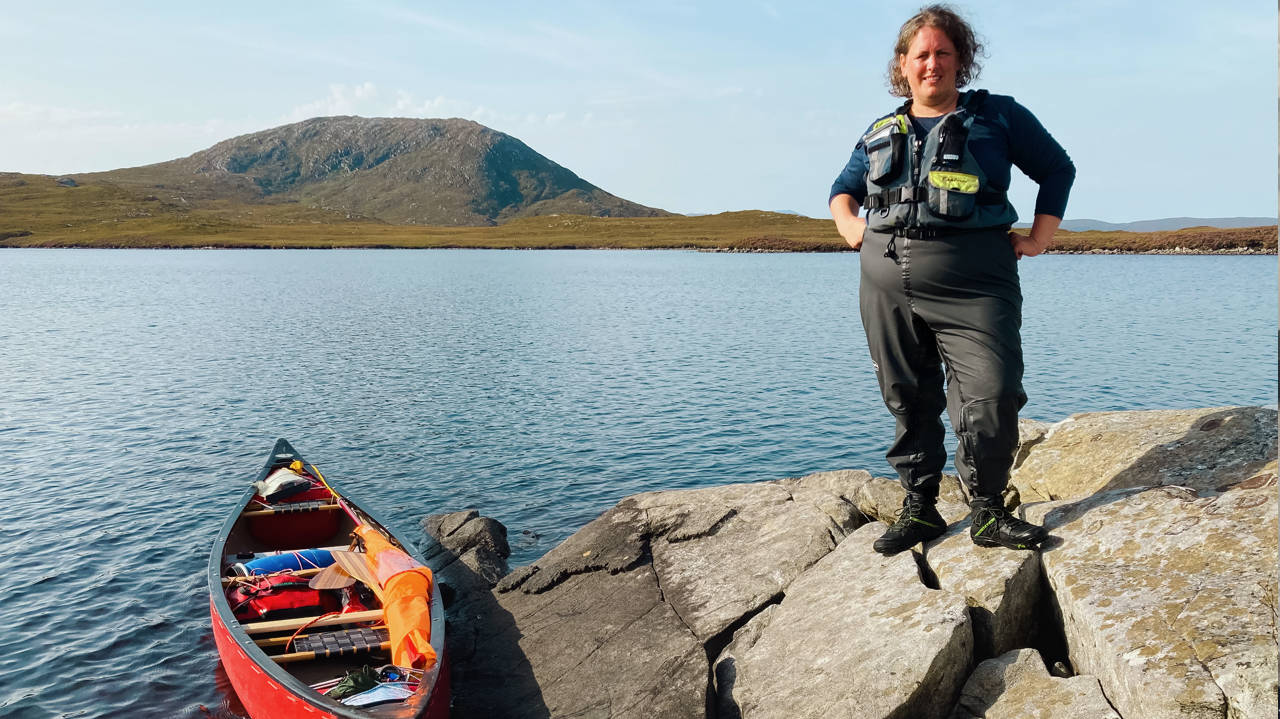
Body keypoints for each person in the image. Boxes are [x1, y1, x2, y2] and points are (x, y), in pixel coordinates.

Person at [828, 4, 1075, 554]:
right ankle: (920, 506)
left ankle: (987, 507)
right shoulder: (880, 131)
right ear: (903, 65)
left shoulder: (1000, 118)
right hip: (886, 278)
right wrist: (850, 226)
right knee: (906, 393)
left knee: (992, 390)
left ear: (961, 59)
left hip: (977, 280)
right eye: (921, 55)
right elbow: (842, 188)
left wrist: (1039, 238)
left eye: (943, 53)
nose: (932, 63)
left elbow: (1058, 168)